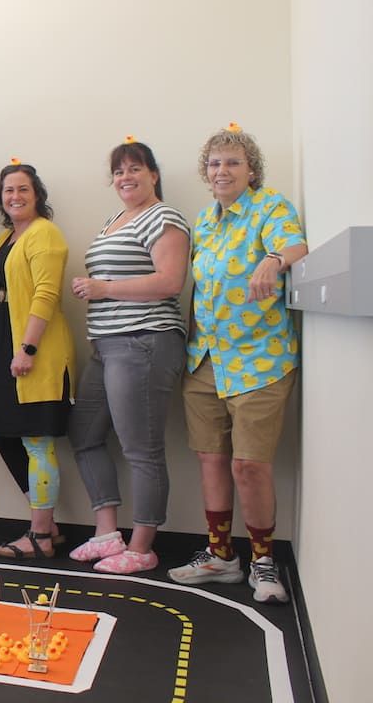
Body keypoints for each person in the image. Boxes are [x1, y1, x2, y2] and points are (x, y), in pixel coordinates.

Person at [167, 123, 307, 604]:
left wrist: (273, 261)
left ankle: (264, 562)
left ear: (251, 169)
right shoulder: (205, 221)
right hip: (206, 359)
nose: (222, 170)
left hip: (259, 359)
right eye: (214, 163)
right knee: (211, 460)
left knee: (250, 466)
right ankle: (221, 556)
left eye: (232, 162)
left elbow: (295, 246)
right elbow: (199, 290)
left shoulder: (270, 206)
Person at [66, 139, 190, 573]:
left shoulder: (164, 217)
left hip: (145, 340)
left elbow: (171, 281)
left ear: (153, 175)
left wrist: (103, 289)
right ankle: (106, 534)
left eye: (135, 169)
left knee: (141, 448)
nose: (126, 178)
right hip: (106, 346)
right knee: (84, 435)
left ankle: (142, 547)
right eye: (119, 172)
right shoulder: (116, 220)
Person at [0, 161, 76, 560]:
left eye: (23, 189)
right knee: (5, 433)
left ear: (36, 195)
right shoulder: (7, 238)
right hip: (6, 342)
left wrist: (28, 348)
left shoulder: (45, 234)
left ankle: (40, 535)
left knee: (37, 442)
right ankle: (47, 526)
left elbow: (46, 295)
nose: (15, 196)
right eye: (8, 190)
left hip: (35, 349)